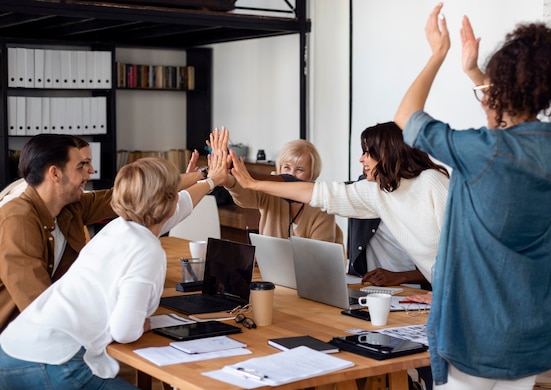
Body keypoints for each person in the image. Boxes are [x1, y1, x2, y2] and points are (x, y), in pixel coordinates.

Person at [393, 4, 551, 390]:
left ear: (503, 94)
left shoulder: (482, 151)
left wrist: (437, 54)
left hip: (476, 333)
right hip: (531, 328)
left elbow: (406, 120)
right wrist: (477, 75)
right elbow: (511, 124)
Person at [0, 157, 181, 390]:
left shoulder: (113, 231)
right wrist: (142, 323)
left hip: (9, 354)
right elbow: (124, 329)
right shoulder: (147, 249)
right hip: (51, 364)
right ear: (171, 201)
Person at [0, 134, 212, 332]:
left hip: (59, 330)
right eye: (81, 166)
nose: (90, 171)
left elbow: (137, 194)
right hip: (22, 337)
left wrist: (205, 177)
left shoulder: (69, 207)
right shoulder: (17, 219)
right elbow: (38, 307)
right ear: (55, 173)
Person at [228, 121, 449, 286]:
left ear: (387, 154)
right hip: (443, 295)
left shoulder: (432, 182)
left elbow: (464, 250)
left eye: (367, 153)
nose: (361, 159)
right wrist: (252, 183)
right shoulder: (376, 191)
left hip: (463, 291)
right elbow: (320, 193)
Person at [190, 127, 344, 246]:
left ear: (313, 175)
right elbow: (244, 196)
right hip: (273, 274)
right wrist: (226, 179)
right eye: (286, 167)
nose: (291, 175)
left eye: (300, 170)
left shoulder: (322, 205)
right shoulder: (271, 190)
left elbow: (319, 260)